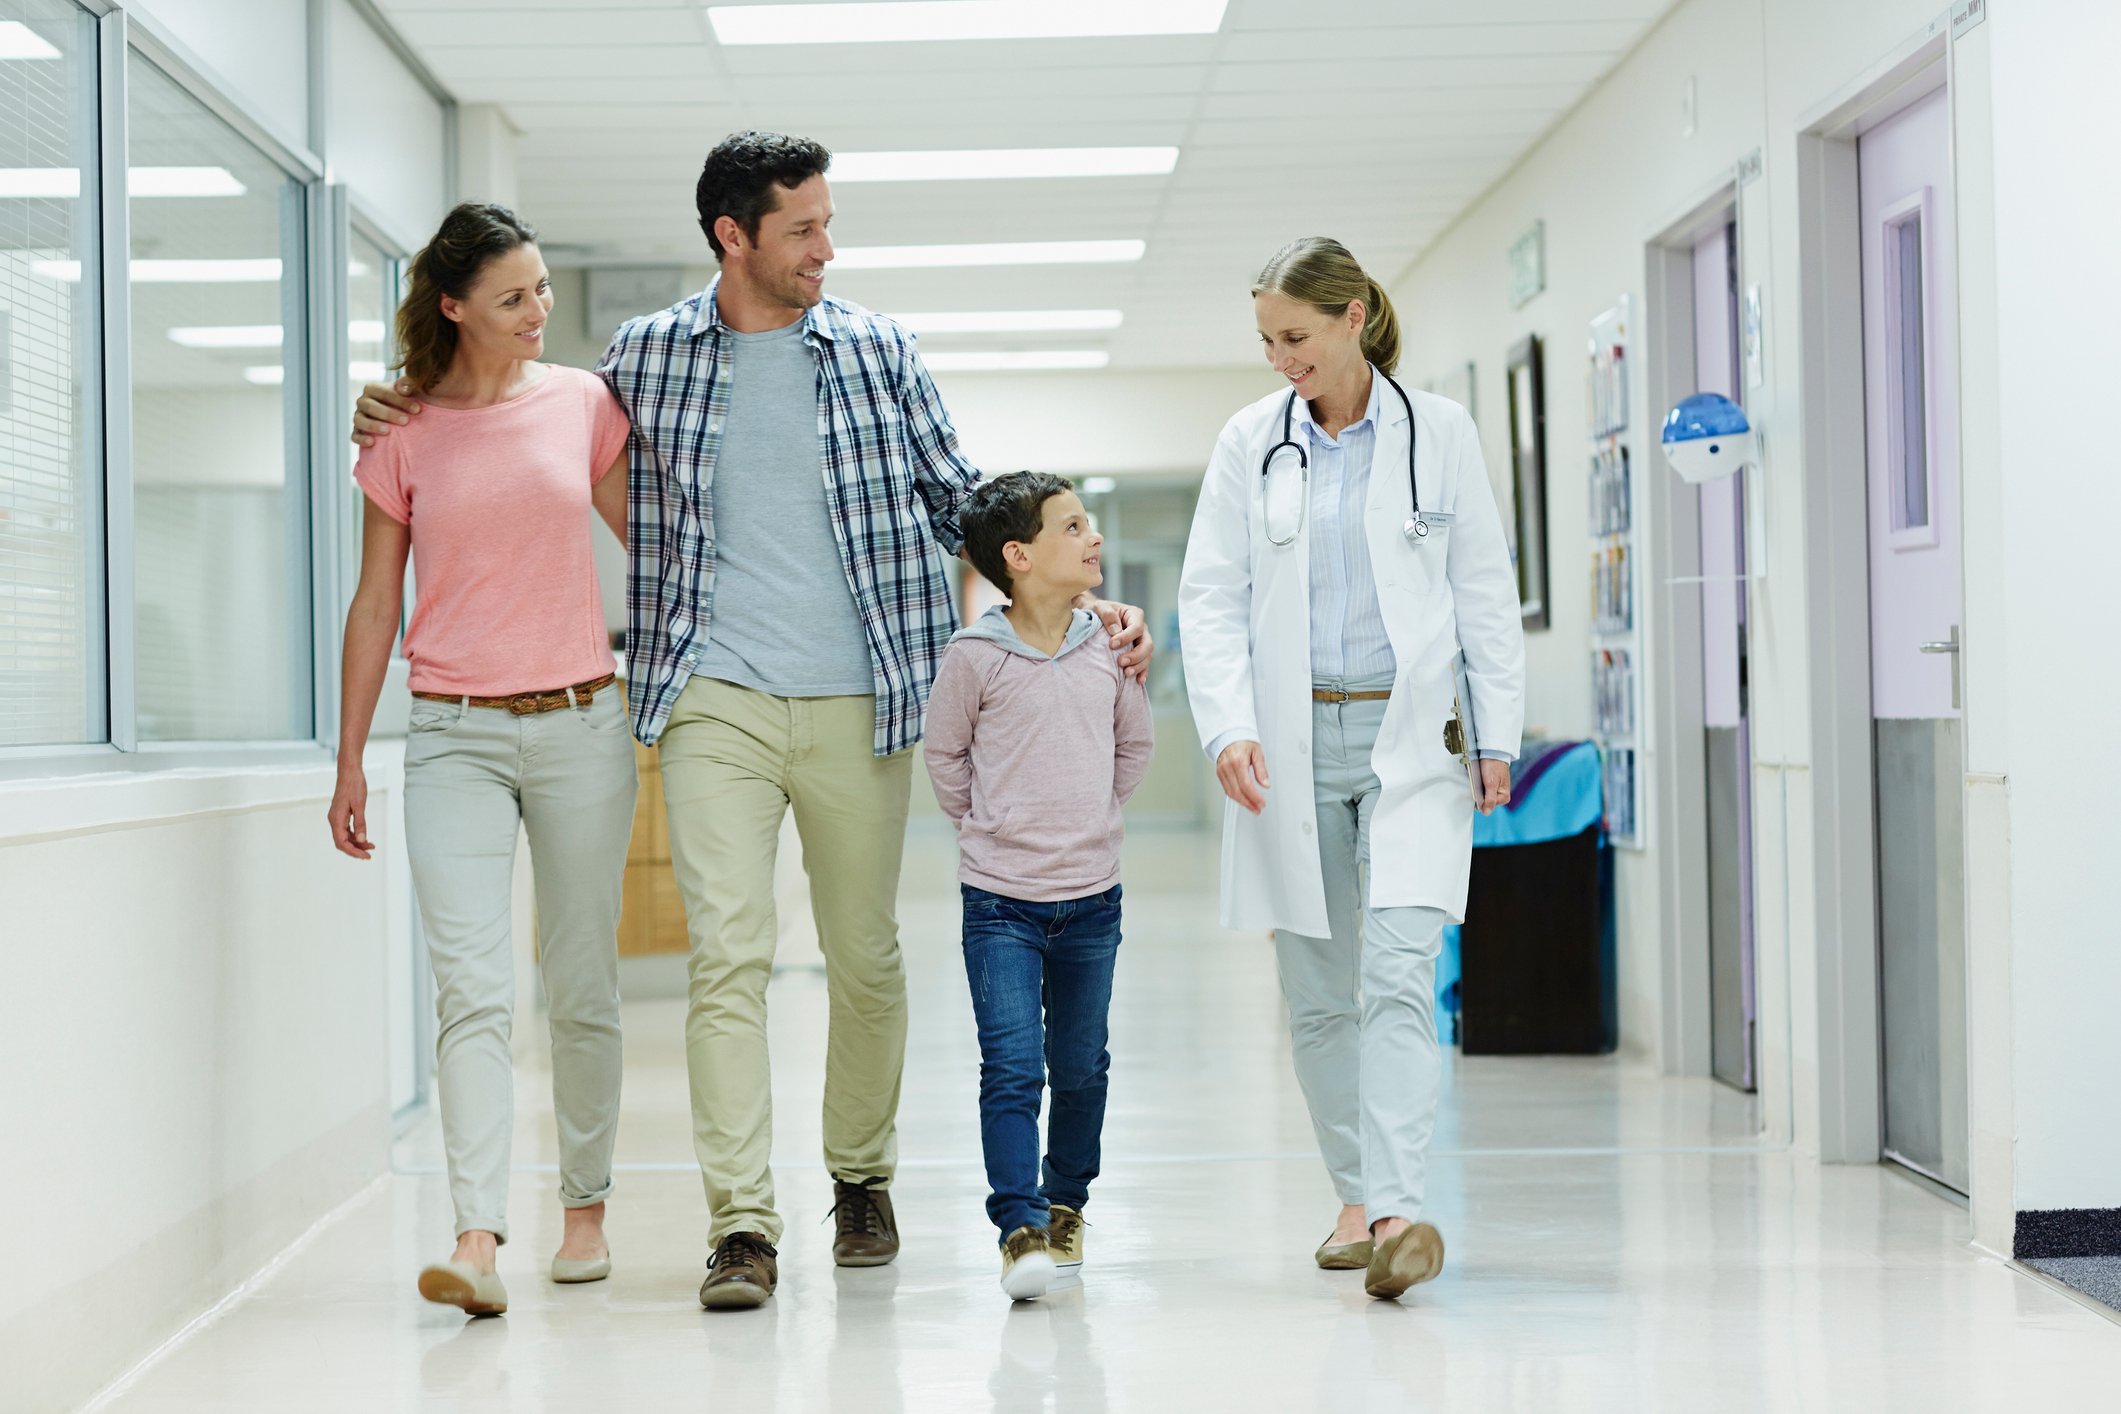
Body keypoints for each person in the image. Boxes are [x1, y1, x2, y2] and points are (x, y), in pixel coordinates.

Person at [353, 132, 1153, 1312]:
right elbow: (513, 411)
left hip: (862, 692)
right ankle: (740, 1220)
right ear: (734, 236)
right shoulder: (645, 356)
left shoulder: (877, 349)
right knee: (727, 953)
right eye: (803, 228)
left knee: (863, 954)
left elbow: (963, 503)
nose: (826, 247)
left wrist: (1084, 601)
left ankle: (860, 1177)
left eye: (828, 223)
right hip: (713, 694)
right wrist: (395, 397)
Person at [1177, 237, 1525, 1301]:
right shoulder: (1251, 442)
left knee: (1399, 973)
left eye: (1295, 336)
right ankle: (1356, 1194)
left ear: (1352, 318)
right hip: (1289, 745)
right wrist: (1227, 726)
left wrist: (1498, 733)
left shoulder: (1440, 433)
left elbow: (1482, 588)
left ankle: (1395, 1211)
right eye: (1266, 341)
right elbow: (1212, 597)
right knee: (1318, 993)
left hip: (1411, 740)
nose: (1280, 358)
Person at [330, 203, 637, 1317]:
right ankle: (475, 1239)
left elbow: (656, 552)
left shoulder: (584, 404)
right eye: (513, 297)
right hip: (451, 732)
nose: (538, 310)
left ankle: (585, 1211)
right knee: (470, 989)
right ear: (453, 306)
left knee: (582, 981)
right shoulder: (402, 431)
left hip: (581, 723)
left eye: (542, 288)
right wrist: (349, 757)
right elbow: (377, 603)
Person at [922, 473, 1154, 1302]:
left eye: (1088, 523)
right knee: (1013, 1067)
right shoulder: (973, 658)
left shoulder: (1111, 649)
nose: (1093, 539)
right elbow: (945, 759)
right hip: (999, 905)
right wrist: (996, 829)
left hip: (1092, 900)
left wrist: (1085, 820)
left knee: (1080, 1066)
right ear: (1017, 558)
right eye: (1072, 527)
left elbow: (1133, 748)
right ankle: (1017, 1226)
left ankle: (1065, 1204)